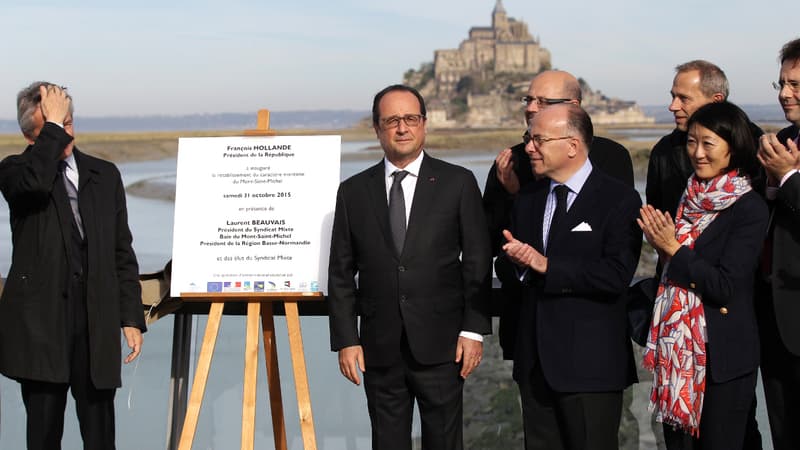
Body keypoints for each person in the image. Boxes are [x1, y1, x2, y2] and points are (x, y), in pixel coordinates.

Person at [327, 84, 492, 449]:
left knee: (444, 442)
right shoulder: (353, 192)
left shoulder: (458, 182)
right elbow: (341, 271)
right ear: (377, 128)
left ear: (424, 124)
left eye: (411, 119)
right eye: (392, 121)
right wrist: (346, 339)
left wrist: (474, 330)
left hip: (444, 345)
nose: (403, 128)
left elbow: (478, 261)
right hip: (378, 347)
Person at [0, 82, 146, 449]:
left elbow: (121, 251)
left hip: (94, 327)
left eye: (67, 122)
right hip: (41, 330)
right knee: (44, 437)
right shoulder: (15, 171)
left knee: (100, 439)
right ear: (31, 134)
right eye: (53, 124)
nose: (66, 132)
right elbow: (35, 183)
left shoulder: (104, 175)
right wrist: (51, 122)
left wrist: (130, 317)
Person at [501, 103, 641, 450]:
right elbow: (510, 266)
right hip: (534, 365)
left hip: (590, 367)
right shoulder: (529, 198)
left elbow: (616, 275)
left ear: (572, 146)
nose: (529, 148)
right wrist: (519, 265)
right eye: (529, 139)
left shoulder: (619, 199)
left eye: (539, 140)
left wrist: (547, 266)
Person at [639, 101, 768, 449]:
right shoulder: (689, 195)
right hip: (677, 356)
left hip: (722, 358)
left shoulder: (749, 206)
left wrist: (673, 249)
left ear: (734, 146)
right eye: (692, 142)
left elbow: (725, 286)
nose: (697, 153)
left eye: (708, 143)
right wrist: (666, 248)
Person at [483, 69, 634, 358]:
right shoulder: (510, 161)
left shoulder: (610, 158)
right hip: (527, 330)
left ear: (573, 106)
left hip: (593, 335)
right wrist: (511, 195)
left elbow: (613, 255)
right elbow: (494, 246)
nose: (530, 108)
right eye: (528, 100)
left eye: (542, 101)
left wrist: (547, 265)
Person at [755, 37, 800, 450]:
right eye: (781, 84)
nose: (785, 93)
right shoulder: (784, 140)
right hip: (772, 315)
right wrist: (771, 187)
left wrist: (789, 178)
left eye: (797, 85)